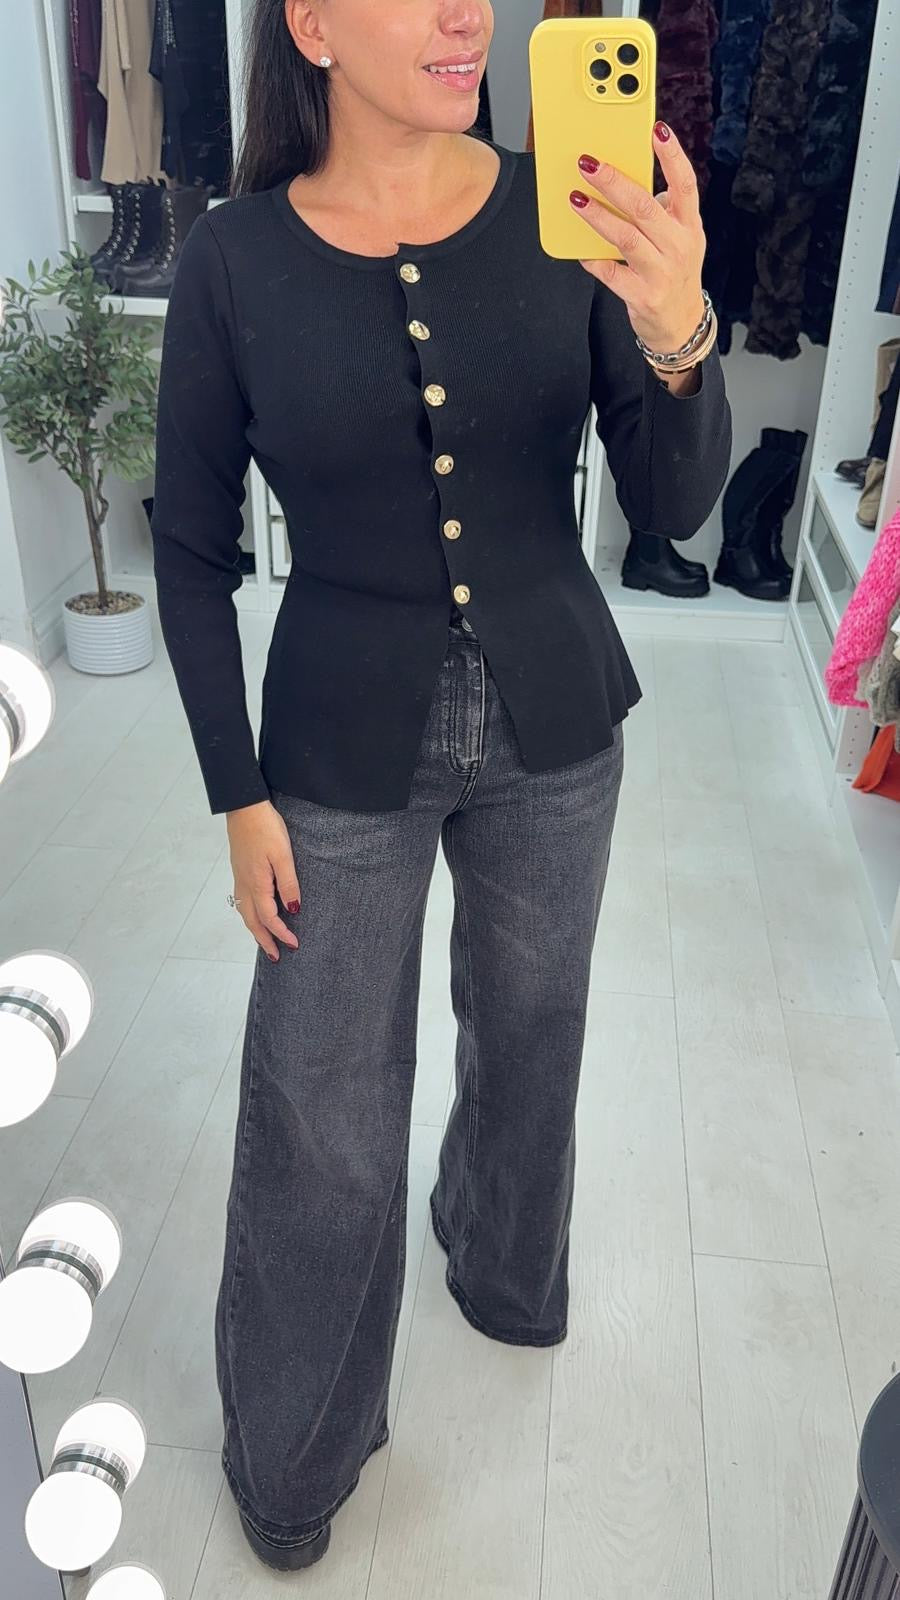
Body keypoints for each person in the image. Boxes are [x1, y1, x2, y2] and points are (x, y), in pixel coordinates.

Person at [149, 0, 732, 1573]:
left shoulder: (570, 212)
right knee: (322, 1106)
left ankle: (500, 1261)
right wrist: (235, 796)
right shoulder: (233, 261)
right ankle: (295, 1457)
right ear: (314, 24)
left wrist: (679, 325)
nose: (467, 11)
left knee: (535, 1031)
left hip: (558, 720)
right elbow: (191, 554)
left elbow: (671, 507)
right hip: (337, 743)